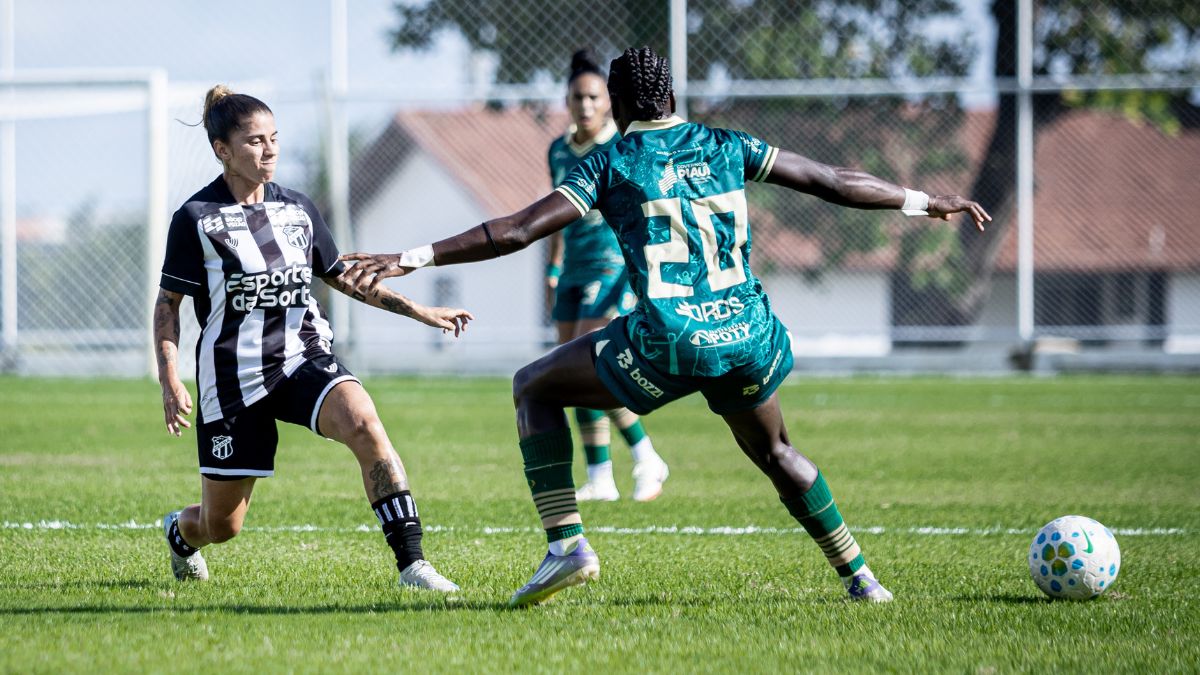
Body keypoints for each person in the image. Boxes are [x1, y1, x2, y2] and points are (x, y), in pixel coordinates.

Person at [340, 47, 990, 607]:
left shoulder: (612, 161)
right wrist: (925, 201)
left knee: (534, 385)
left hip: (672, 337)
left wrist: (412, 257)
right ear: (673, 94)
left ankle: (567, 544)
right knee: (777, 451)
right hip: (748, 332)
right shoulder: (727, 145)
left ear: (619, 105)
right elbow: (829, 179)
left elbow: (514, 230)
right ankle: (864, 578)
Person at [154, 85, 472, 592]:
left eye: (274, 138)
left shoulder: (298, 210)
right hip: (233, 380)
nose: (270, 149)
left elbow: (340, 274)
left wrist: (421, 311)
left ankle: (413, 565)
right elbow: (167, 306)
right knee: (223, 527)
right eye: (255, 141)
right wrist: (170, 380)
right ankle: (180, 532)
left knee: (365, 423)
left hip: (304, 357)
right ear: (222, 150)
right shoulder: (195, 219)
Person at [545, 49, 668, 503]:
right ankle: (601, 477)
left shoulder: (621, 149)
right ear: (568, 100)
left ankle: (645, 454)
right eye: (578, 97)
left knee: (590, 364)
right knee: (572, 372)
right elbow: (554, 214)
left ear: (608, 101)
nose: (587, 105)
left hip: (611, 269)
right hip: (573, 269)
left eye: (595, 97)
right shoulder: (559, 150)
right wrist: (553, 270)